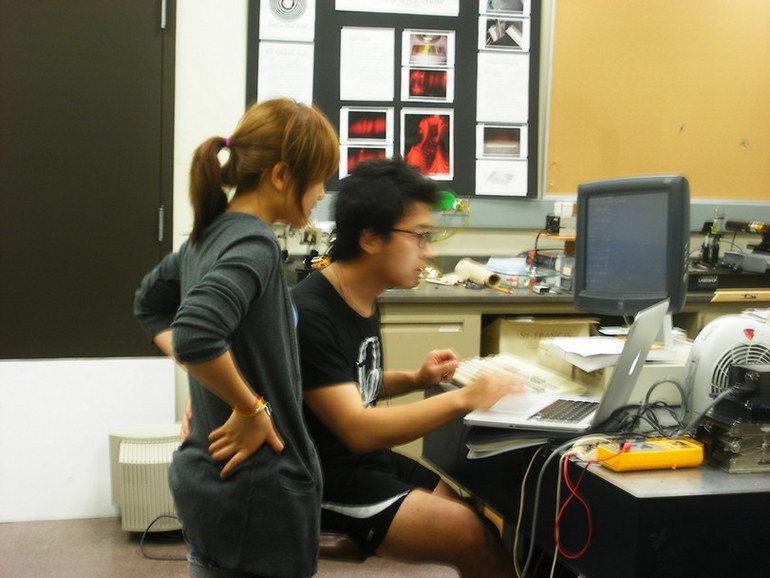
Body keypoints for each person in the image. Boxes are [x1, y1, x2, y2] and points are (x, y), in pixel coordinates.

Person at [133, 97, 339, 578]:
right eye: (319, 179)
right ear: (282, 175)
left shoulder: (208, 235)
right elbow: (196, 334)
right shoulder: (254, 242)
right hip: (258, 495)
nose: (322, 192)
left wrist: (212, 380)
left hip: (214, 486)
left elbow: (152, 306)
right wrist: (248, 407)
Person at [291, 158, 522, 577]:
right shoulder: (311, 313)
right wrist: (466, 398)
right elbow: (357, 428)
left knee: (481, 525)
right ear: (370, 238)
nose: (428, 251)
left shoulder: (361, 294)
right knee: (469, 534)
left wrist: (417, 379)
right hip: (321, 478)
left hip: (361, 461)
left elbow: (352, 383)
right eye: (419, 236)